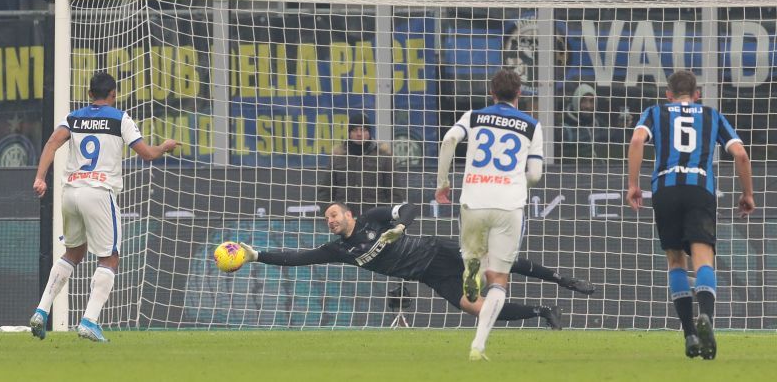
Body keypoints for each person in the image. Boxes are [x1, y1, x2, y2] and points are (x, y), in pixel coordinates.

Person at [237, 202, 595, 330]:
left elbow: (408, 207)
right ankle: (544, 311)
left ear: (348, 214)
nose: (329, 220)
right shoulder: (338, 250)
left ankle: (562, 279)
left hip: (437, 251)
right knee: (479, 311)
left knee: (497, 263)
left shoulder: (372, 220)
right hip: (430, 275)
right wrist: (256, 255)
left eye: (333, 214)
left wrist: (399, 228)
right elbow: (298, 259)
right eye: (326, 218)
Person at [30, 72, 180, 342]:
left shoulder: (73, 118)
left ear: (89, 94)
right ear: (113, 94)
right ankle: (89, 321)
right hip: (99, 191)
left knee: (73, 252)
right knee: (109, 258)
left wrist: (40, 177)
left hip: (71, 192)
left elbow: (52, 143)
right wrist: (165, 147)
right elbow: (146, 154)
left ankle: (41, 310)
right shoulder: (120, 118)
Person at [626, 70, 755, 360]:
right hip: (699, 190)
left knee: (675, 261)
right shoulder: (711, 114)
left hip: (666, 190)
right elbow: (741, 155)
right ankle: (706, 316)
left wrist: (633, 185)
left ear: (668, 94)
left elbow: (636, 142)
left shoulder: (654, 112)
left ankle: (689, 335)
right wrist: (747, 193)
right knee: (703, 257)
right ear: (697, 94)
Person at [436, 68, 544, 361]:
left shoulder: (473, 116)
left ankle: (471, 267)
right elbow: (535, 174)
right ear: (519, 93)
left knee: (474, 260)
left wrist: (443, 183)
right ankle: (478, 346)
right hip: (508, 205)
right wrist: (515, 177)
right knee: (498, 279)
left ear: (491, 93)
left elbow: (448, 140)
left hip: (473, 200)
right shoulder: (531, 125)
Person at [317, 112, 404, 217]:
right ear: (349, 133)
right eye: (355, 130)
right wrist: (331, 215)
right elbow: (325, 191)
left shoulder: (383, 156)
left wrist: (388, 217)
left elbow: (395, 192)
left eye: (363, 130)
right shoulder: (338, 157)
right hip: (344, 221)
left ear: (369, 132)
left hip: (375, 220)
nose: (359, 134)